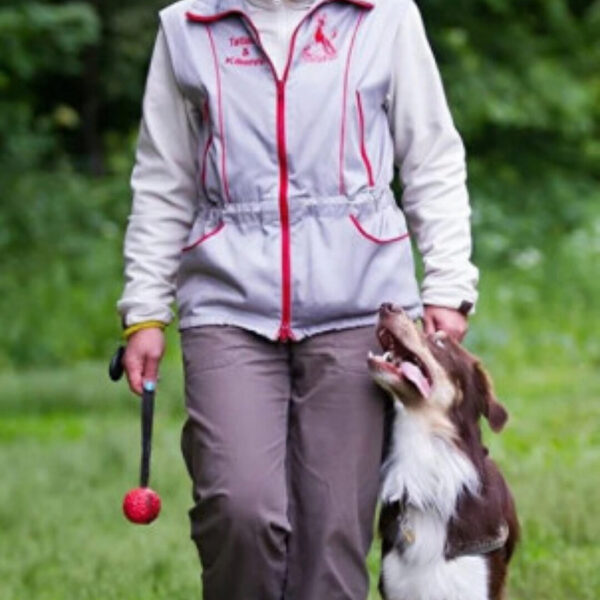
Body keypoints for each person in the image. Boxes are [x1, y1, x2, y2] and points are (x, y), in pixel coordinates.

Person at [117, 0, 478, 597]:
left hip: (362, 306)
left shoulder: (385, 16)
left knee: (333, 528)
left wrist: (447, 282)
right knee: (239, 508)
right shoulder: (185, 28)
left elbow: (431, 155)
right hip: (227, 304)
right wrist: (145, 308)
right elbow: (163, 178)